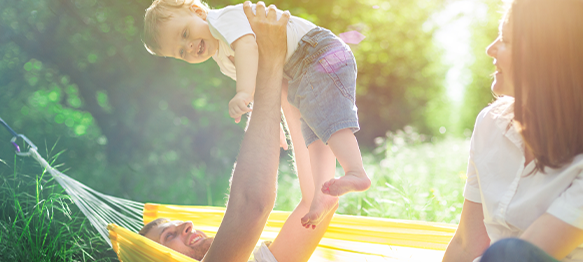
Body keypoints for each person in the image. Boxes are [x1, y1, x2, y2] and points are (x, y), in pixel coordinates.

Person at [143, 0, 371, 228]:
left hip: (316, 52)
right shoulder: (222, 59)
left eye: (185, 33)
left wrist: (241, 92)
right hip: (301, 70)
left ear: (198, 11)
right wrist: (273, 123)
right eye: (181, 52)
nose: (189, 47)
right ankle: (324, 193)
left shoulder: (222, 20)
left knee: (328, 120)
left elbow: (248, 47)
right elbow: (262, 84)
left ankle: (355, 171)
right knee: (314, 134)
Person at [442, 0, 583, 261]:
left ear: (548, 56)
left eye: (505, 40)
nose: (490, 49)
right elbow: (466, 243)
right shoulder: (490, 123)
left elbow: (523, 254)